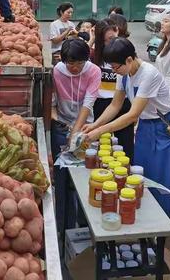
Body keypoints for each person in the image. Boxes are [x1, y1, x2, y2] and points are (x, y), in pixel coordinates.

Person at [82, 38, 170, 234]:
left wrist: (100, 131)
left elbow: (132, 114)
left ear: (130, 60)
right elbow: (115, 105)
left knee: (165, 185)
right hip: (145, 131)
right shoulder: (123, 75)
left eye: (117, 67)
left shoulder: (149, 74)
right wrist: (94, 125)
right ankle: (149, 232)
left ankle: (168, 242)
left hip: (164, 129)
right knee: (141, 181)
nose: (114, 71)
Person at [51, 38, 101, 230]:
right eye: (70, 63)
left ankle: (84, 224)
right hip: (62, 125)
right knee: (62, 177)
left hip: (85, 126)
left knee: (85, 176)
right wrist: (59, 122)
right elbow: (53, 100)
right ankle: (63, 226)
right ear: (63, 60)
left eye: (79, 63)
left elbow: (88, 103)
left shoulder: (94, 71)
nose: (75, 68)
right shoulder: (57, 71)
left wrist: (76, 131)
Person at [91, 20, 134, 159]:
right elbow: (79, 54)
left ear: (117, 30)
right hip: (102, 104)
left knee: (125, 146)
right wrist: (91, 39)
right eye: (105, 40)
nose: (109, 43)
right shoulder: (96, 56)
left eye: (112, 38)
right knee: (102, 144)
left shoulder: (126, 52)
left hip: (123, 102)